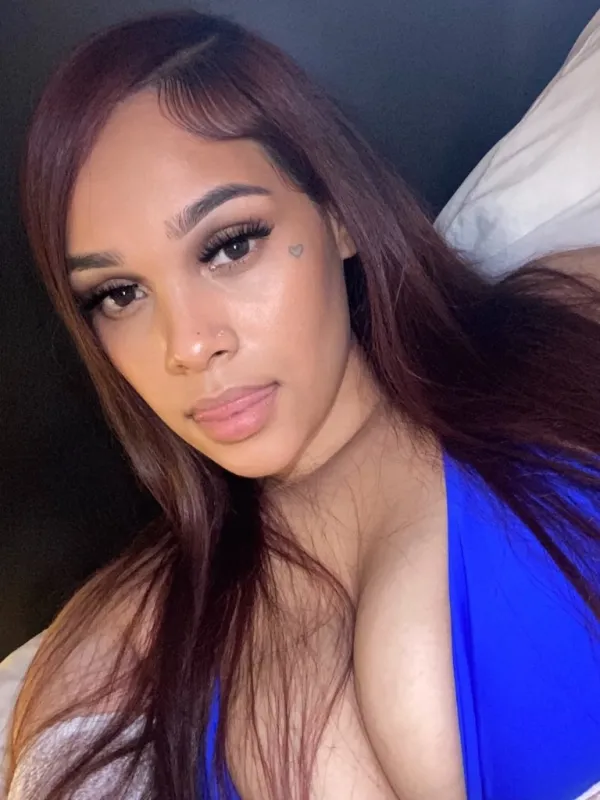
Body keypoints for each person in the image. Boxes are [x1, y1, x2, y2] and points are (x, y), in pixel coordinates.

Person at [6, 9, 600, 800]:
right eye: (119, 294)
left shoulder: (557, 328)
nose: (189, 345)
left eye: (229, 245)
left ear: (338, 213)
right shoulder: (122, 641)